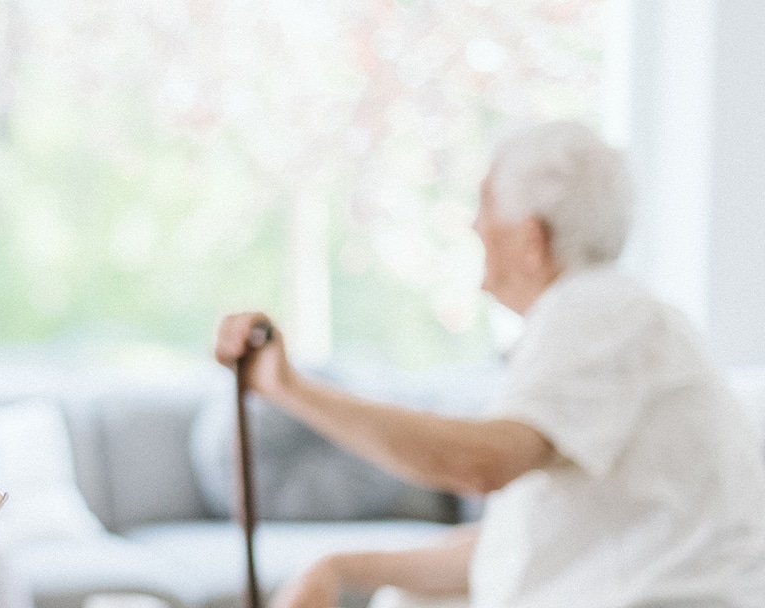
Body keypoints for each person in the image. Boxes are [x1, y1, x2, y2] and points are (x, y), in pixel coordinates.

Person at [215, 121, 765, 608]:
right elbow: (513, 548)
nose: (473, 226)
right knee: (403, 598)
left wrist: (290, 388)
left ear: (531, 238)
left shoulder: (597, 312)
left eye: (484, 204)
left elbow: (478, 465)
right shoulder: (612, 320)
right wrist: (338, 567)